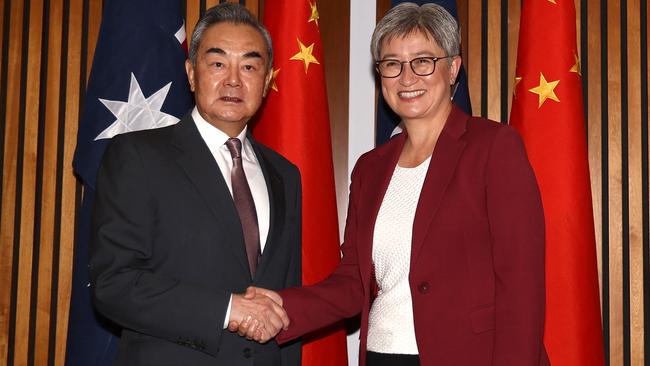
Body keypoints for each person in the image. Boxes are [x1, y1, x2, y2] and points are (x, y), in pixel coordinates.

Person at [233, 3, 550, 365]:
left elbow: (521, 285)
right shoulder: (370, 168)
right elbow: (353, 282)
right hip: (382, 354)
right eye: (392, 64)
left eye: (423, 61)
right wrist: (281, 308)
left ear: (453, 69)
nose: (407, 77)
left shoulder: (493, 147)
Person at [89, 3, 301, 365]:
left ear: (266, 81)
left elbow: (285, 298)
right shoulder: (137, 156)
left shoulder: (285, 174)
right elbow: (114, 284)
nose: (234, 80)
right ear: (191, 73)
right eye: (218, 64)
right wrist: (226, 309)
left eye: (249, 66)